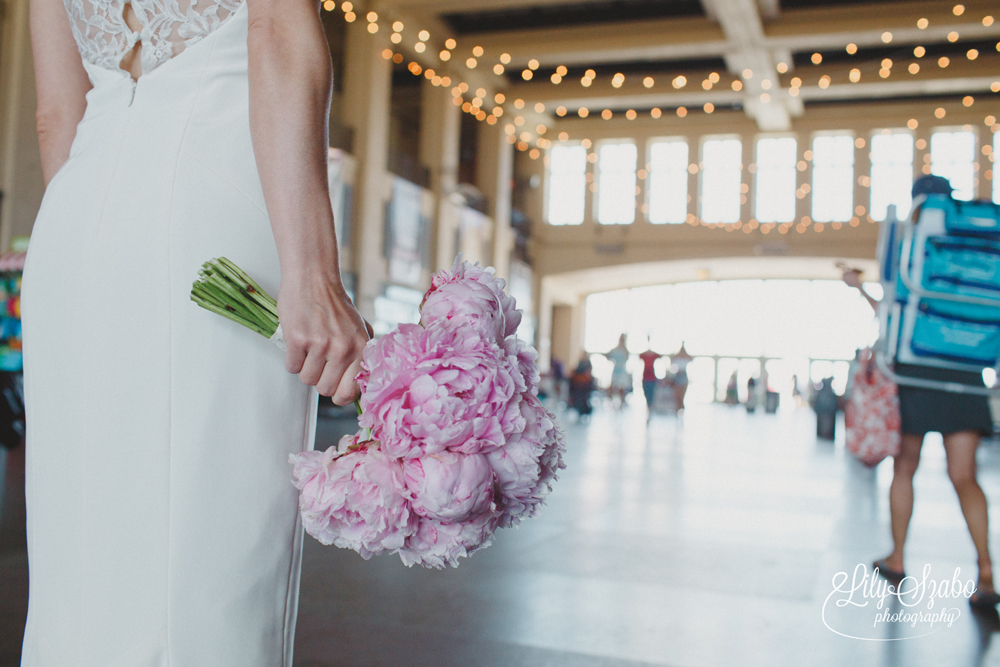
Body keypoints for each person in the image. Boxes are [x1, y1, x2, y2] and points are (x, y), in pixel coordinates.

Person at [22, 0, 370, 662]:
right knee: (211, 574)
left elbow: (55, 116)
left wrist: (106, 254)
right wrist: (312, 273)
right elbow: (277, 34)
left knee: (82, 562)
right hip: (213, 223)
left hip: (76, 227)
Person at [842, 173, 997, 609]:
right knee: (965, 476)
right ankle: (986, 572)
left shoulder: (913, 235)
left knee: (905, 468)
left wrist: (858, 289)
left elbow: (890, 313)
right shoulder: (980, 238)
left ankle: (897, 556)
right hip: (967, 372)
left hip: (914, 370)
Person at [602, 334, 631, 408]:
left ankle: (621, 403)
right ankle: (611, 402)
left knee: (621, 388)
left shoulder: (625, 350)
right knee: (612, 387)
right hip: (616, 371)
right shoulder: (615, 350)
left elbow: (627, 357)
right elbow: (608, 356)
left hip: (622, 372)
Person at [638, 341, 662, 416]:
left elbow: (660, 356)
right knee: (646, 393)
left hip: (652, 378)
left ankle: (650, 407)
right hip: (645, 377)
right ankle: (648, 406)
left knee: (651, 394)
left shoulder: (654, 355)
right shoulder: (643, 355)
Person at [670, 342, 692, 409]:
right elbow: (672, 360)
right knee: (677, 394)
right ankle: (677, 407)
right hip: (678, 375)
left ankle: (681, 407)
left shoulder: (686, 357)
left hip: (684, 375)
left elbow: (691, 359)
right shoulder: (677, 357)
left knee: (682, 394)